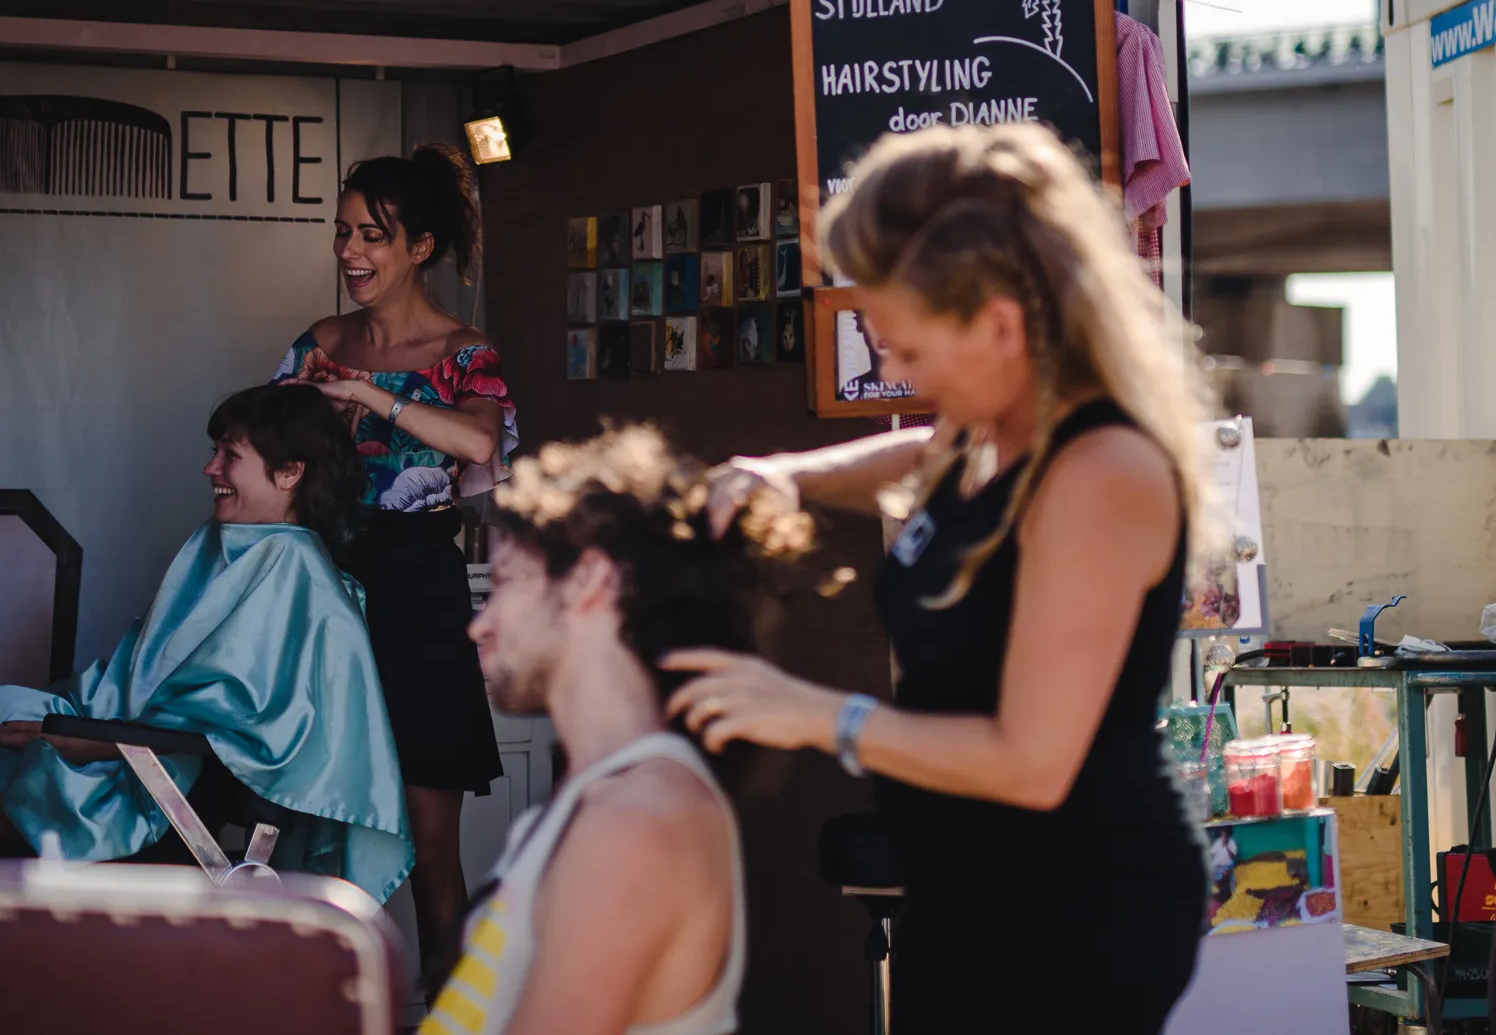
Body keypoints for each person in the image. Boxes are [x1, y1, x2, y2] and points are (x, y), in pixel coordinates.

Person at [666, 123, 1213, 1034]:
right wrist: (788, 474)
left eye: (908, 351)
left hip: (1077, 912)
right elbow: (917, 454)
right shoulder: (988, 431)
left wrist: (815, 715)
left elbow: (1033, 764)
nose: (890, 370)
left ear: (1001, 323)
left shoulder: (1101, 475)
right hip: (970, 883)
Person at [0, 384, 414, 902]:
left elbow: (256, 740)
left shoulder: (293, 569)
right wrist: (58, 720)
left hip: (149, 804)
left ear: (290, 472)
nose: (209, 468)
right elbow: (147, 684)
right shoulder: (233, 548)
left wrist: (84, 742)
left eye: (229, 455)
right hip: (117, 764)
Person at [421, 424, 801, 1035]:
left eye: (509, 582)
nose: (480, 625)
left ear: (591, 579)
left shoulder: (637, 819)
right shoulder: (593, 798)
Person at [273, 144, 514, 959]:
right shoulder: (314, 342)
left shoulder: (466, 353)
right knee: (302, 830)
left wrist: (368, 395)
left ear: (420, 248)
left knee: (430, 848)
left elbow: (478, 438)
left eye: (372, 235)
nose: (349, 252)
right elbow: (259, 457)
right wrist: (309, 429)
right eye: (342, 233)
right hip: (320, 593)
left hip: (418, 601)